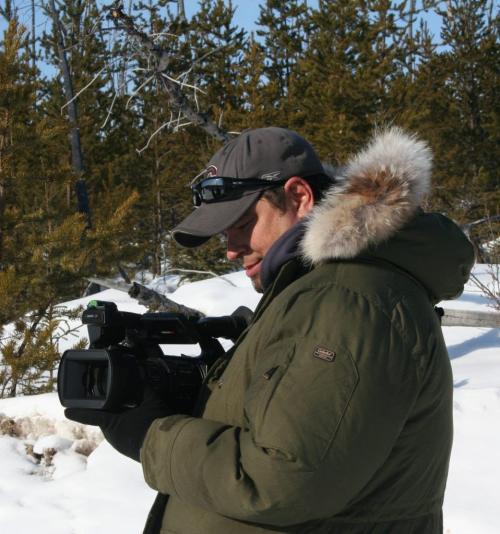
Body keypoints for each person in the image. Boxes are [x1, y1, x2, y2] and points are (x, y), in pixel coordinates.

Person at [66, 127, 475, 533]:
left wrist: (151, 437)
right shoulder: (317, 290)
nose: (230, 248)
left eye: (242, 224)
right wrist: (202, 400)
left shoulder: (349, 299)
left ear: (298, 197)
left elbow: (286, 479)